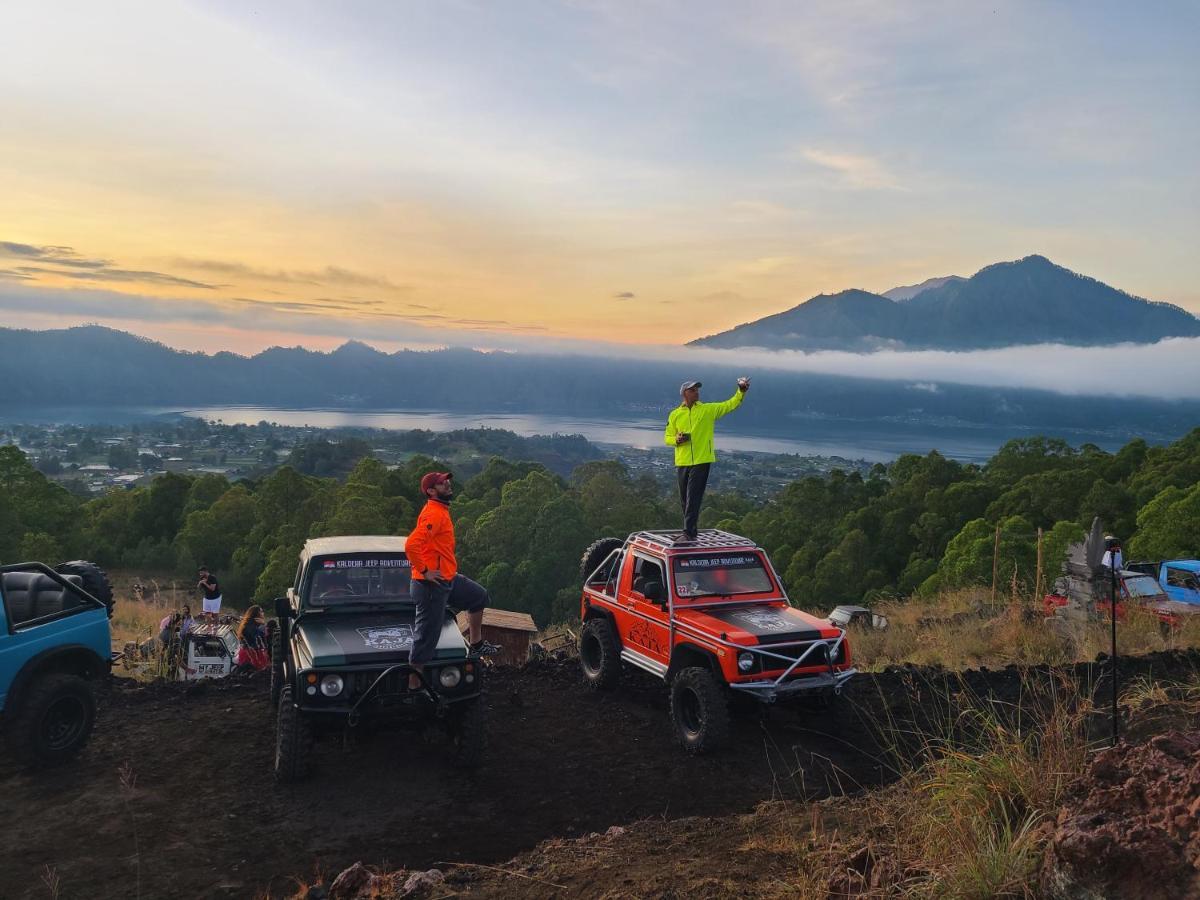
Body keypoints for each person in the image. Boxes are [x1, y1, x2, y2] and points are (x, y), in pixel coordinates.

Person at [405, 471, 498, 692]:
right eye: (441, 483)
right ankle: (414, 687)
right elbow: (411, 545)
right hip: (431, 586)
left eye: (447, 480)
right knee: (426, 638)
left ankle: (475, 645)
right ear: (430, 491)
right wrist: (426, 571)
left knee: (478, 596)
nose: (447, 483)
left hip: (448, 579)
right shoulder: (434, 515)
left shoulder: (440, 510)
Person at [663, 377, 750, 539]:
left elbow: (730, 404)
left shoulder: (707, 410)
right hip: (682, 461)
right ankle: (691, 531)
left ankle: (688, 532)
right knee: (684, 499)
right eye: (693, 390)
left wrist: (741, 392)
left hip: (702, 460)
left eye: (697, 389)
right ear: (684, 393)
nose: (697, 392)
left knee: (693, 497)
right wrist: (677, 439)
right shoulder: (675, 414)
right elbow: (667, 437)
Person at [234, 605, 270, 672]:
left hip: (253, 652)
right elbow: (256, 638)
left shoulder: (252, 624)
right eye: (261, 611)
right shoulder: (250, 625)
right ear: (256, 613)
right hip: (251, 654)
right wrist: (263, 625)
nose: (263, 613)